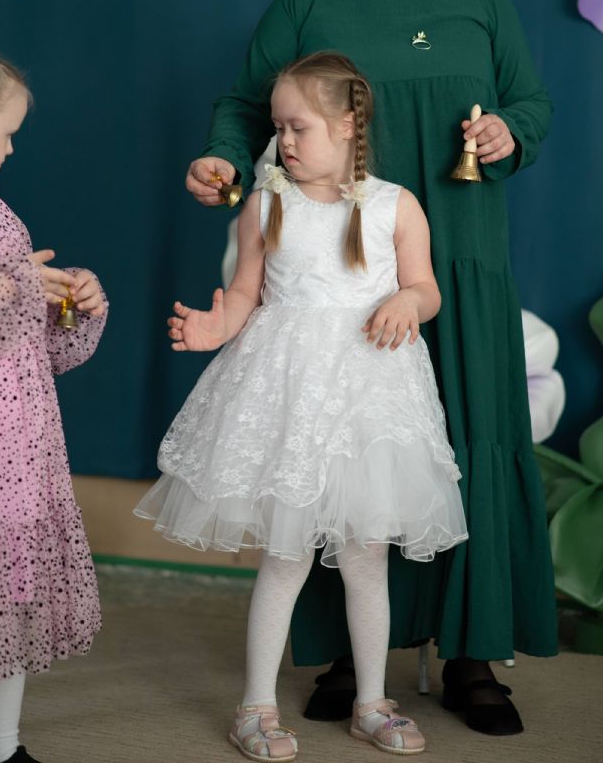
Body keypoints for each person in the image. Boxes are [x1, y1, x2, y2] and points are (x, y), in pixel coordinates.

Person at [185, 0, 557, 737]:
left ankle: (470, 656)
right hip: (336, 278)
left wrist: (506, 131)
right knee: (338, 460)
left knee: (460, 446)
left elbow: (531, 104)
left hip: (452, 261)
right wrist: (224, 162)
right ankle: (352, 667)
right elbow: (245, 103)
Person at [137, 52, 467, 758]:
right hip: (289, 398)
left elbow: (426, 288)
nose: (284, 141)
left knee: (365, 555)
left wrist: (409, 302)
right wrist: (213, 329)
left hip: (369, 402)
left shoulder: (395, 205)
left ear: (348, 124)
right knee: (284, 555)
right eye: (278, 128)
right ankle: (255, 707)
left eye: (299, 127)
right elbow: (244, 296)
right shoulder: (266, 204)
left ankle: (371, 702)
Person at [0, 42, 107, 763]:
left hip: (9, 446)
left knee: (1, 594)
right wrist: (14, 284)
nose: (10, 151)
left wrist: (69, 306)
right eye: (7, 135)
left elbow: (27, 336)